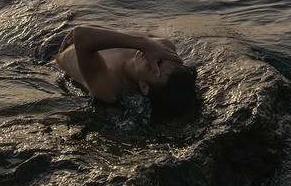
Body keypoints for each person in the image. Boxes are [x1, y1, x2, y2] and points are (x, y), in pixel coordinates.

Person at [53, 24, 197, 120]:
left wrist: (144, 43)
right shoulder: (163, 48)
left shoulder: (112, 88)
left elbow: (82, 35)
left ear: (144, 87)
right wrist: (94, 28)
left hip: (51, 51)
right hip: (86, 32)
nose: (154, 55)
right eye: (168, 57)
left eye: (157, 64)